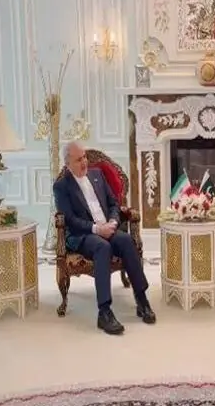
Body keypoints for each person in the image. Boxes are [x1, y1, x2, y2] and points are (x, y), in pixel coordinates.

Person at [53, 141, 156, 335]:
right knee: (102, 247)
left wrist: (113, 222)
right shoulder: (61, 186)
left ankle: (142, 300)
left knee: (126, 240)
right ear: (68, 164)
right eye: (78, 160)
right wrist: (97, 229)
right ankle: (104, 312)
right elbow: (70, 220)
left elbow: (113, 204)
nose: (84, 162)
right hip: (83, 234)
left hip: (108, 227)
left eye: (84, 157)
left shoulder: (97, 175)